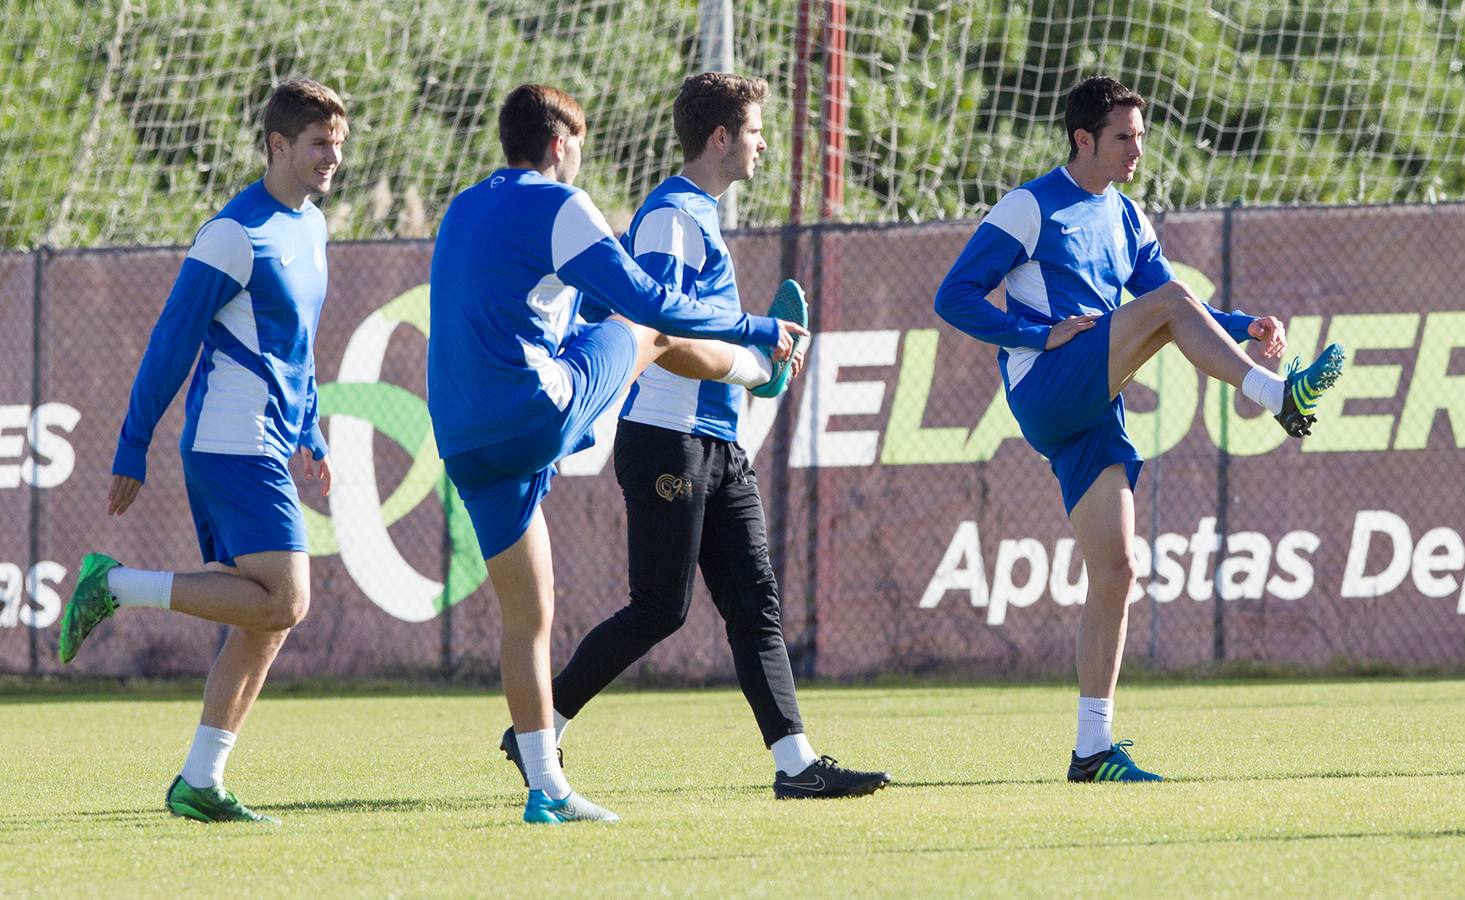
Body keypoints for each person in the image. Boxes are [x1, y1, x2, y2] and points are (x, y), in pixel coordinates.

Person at [933, 76, 1345, 782]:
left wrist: (1247, 325)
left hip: (1092, 409)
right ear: (1083, 139)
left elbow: (1175, 301)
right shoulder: (1030, 206)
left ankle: (1091, 749)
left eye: (1141, 138)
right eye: (1123, 138)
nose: (1136, 151)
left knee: (1118, 572)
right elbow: (954, 296)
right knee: (1172, 305)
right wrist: (1036, 333)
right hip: (1050, 384)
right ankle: (1276, 396)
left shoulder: (1125, 215)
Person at [428, 84, 808, 823]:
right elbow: (654, 304)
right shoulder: (563, 204)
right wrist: (757, 332)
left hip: (465, 440)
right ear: (562, 145)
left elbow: (552, 305)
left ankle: (546, 786)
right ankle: (765, 374)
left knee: (529, 614)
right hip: (540, 413)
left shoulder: (464, 206)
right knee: (650, 329)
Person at [529, 73, 889, 800]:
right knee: (660, 608)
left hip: (718, 441)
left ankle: (796, 766)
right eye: (755, 130)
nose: (763, 143)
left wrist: (754, 367)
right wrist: (756, 365)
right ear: (721, 137)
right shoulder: (671, 215)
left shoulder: (699, 215)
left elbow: (688, 328)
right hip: (668, 437)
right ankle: (541, 724)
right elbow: (655, 332)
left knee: (755, 600)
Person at [59, 79, 350, 823]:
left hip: (269, 438)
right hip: (228, 440)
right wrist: (133, 441)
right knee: (287, 599)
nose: (332, 159)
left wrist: (311, 427)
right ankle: (113, 585)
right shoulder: (233, 233)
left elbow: (297, 349)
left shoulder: (312, 226)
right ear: (278, 145)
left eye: (339, 146)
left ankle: (200, 781)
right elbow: (171, 339)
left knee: (264, 620)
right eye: (319, 144)